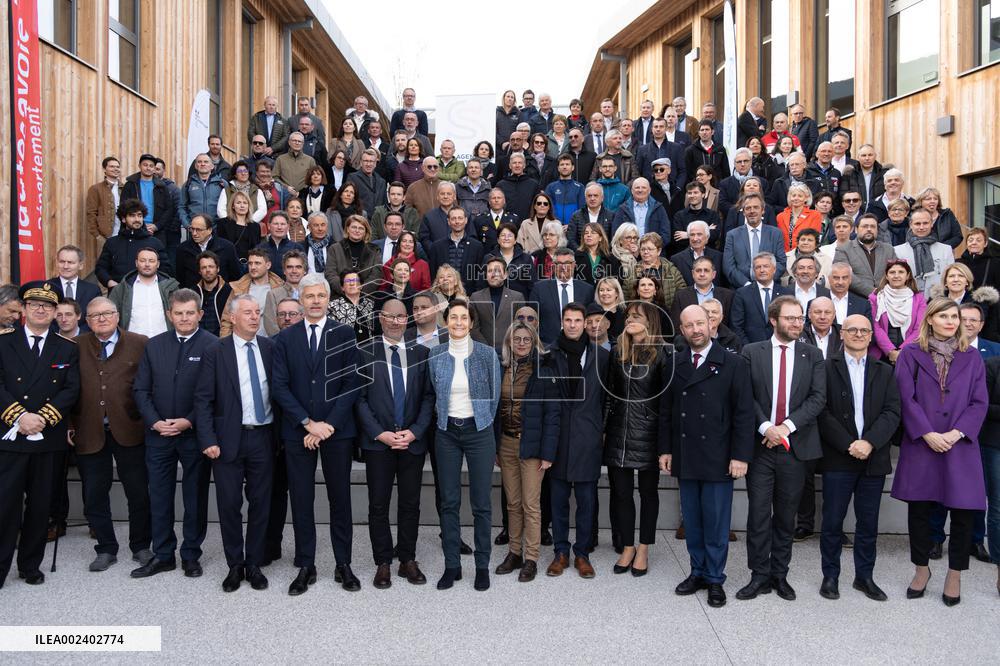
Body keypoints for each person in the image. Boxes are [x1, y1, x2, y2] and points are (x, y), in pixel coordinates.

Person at [891, 298, 988, 606]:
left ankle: (955, 574)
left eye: (954, 316)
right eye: (943, 316)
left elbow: (979, 402)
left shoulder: (972, 357)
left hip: (959, 446)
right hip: (923, 443)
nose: (950, 321)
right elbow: (905, 398)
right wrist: (927, 433)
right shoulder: (910, 353)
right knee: (919, 511)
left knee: (963, 513)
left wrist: (956, 433)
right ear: (929, 319)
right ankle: (922, 569)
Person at [271, 274, 362, 594]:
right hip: (300, 432)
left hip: (336, 431)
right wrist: (308, 423)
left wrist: (326, 426)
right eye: (308, 296)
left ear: (327, 298)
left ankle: (343, 564)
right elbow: (280, 387)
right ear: (301, 298)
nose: (314, 301)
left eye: (319, 296)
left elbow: (351, 384)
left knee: (340, 498)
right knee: (302, 499)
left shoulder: (345, 334)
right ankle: (305, 564)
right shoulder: (285, 338)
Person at [662, 304, 753, 607]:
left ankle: (715, 578)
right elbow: (666, 411)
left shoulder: (733, 363)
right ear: (682, 329)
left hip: (719, 455)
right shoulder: (674, 362)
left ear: (712, 325)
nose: (696, 330)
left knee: (715, 522)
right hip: (687, 454)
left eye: (700, 323)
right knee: (694, 520)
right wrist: (666, 449)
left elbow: (743, 414)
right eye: (689, 326)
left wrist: (740, 456)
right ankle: (697, 571)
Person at [737, 296, 826, 602]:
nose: (796, 323)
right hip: (760, 446)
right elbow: (745, 395)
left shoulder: (812, 355)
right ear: (774, 320)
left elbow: (817, 398)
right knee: (759, 514)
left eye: (800, 318)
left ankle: (780, 575)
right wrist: (766, 428)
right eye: (790, 318)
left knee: (786, 516)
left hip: (794, 447)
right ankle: (758, 575)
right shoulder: (752, 352)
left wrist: (784, 428)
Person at [815, 314, 901, 601]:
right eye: (853, 330)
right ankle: (831, 576)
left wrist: (870, 443)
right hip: (839, 457)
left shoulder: (885, 370)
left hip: (872, 458)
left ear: (871, 335)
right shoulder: (826, 367)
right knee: (832, 522)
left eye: (865, 330)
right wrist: (849, 443)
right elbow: (822, 411)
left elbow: (892, 412)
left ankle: (864, 577)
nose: (859, 334)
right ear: (842, 334)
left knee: (868, 523)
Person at [131, 290, 215, 579]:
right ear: (169, 315)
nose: (184, 318)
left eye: (190, 312)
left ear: (200, 315)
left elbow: (214, 395)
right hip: (159, 435)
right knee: (160, 496)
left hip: (194, 435)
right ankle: (163, 554)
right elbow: (140, 389)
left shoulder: (212, 346)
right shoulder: (154, 346)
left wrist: (188, 422)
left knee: (195, 496)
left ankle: (191, 554)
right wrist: (155, 422)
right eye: (178, 313)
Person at [0, 283, 80, 588]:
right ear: (23, 309)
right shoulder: (3, 344)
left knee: (40, 506)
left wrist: (41, 420)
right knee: (5, 505)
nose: (40, 310)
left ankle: (30, 565)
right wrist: (20, 417)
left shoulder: (67, 348)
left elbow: (71, 389)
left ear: (55, 312)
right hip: (11, 436)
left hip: (47, 439)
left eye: (47, 306)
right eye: (34, 304)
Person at [195, 295, 275, 593]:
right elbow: (203, 399)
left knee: (260, 503)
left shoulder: (270, 348)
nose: (254, 317)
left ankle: (253, 562)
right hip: (227, 439)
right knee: (229, 504)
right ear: (231, 317)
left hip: (263, 437)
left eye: (257, 312)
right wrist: (208, 440)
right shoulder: (216, 351)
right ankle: (234, 564)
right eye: (248, 313)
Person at [356, 296, 434, 588]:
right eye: (389, 316)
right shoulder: (364, 352)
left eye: (400, 316)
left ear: (407, 320)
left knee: (410, 504)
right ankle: (383, 562)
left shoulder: (421, 353)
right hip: (379, 443)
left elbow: (428, 397)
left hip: (411, 442)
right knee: (378, 504)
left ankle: (407, 559)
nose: (395, 320)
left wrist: (415, 431)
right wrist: (380, 433)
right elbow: (360, 400)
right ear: (380, 318)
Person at [72, 297, 152, 573]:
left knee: (138, 492)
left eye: (107, 313)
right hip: (89, 430)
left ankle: (141, 545)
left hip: (130, 428)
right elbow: (69, 388)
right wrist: (71, 425)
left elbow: (149, 384)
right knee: (94, 494)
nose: (101, 319)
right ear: (87, 320)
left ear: (118, 316)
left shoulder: (140, 342)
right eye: (95, 315)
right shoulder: (77, 346)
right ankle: (105, 548)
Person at [428, 299, 502, 591]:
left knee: (481, 503)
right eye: (453, 317)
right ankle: (452, 566)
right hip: (446, 432)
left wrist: (481, 421)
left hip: (479, 431)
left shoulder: (486, 355)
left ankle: (482, 565)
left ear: (471, 323)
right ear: (446, 322)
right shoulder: (435, 355)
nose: (458, 323)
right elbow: (433, 392)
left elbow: (494, 396)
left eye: (464, 318)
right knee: (449, 502)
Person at [539, 304, 611, 578]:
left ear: (585, 324)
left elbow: (608, 400)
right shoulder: (548, 354)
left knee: (586, 500)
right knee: (557, 500)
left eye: (577, 320)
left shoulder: (600, 357)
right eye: (567, 320)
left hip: (588, 437)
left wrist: (601, 430)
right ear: (561, 322)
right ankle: (560, 551)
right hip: (557, 438)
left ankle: (582, 553)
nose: (572, 325)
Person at [605, 301, 670, 576]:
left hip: (649, 434)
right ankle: (628, 545)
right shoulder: (618, 351)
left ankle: (644, 547)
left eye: (637, 316)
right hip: (619, 431)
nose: (630, 319)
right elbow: (609, 394)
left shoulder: (663, 354)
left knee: (648, 493)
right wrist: (605, 428)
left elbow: (666, 403)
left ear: (650, 322)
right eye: (629, 316)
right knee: (621, 493)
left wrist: (665, 445)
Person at [492, 321, 556, 583]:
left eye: (526, 340)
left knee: (531, 504)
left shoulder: (542, 369)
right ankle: (514, 553)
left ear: (533, 343)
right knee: (513, 503)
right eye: (516, 339)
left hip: (532, 444)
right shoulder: (502, 368)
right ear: (509, 342)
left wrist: (548, 452)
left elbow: (552, 414)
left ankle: (531, 558)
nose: (520, 343)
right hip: (506, 443)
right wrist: (495, 444)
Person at [95, 199, 172, 288]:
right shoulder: (112, 243)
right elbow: (101, 268)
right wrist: (110, 283)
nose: (137, 219)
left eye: (140, 216)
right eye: (132, 216)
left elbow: (165, 269)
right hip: (118, 293)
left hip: (148, 292)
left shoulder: (155, 243)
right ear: (123, 219)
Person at [108, 247, 180, 338]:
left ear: (158, 264)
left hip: (164, 342)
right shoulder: (122, 288)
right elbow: (110, 316)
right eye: (142, 260)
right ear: (136, 263)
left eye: (151, 261)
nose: (147, 264)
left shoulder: (171, 287)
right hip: (132, 343)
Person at [528, 248, 595, 345]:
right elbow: (532, 319)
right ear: (553, 266)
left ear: (574, 265)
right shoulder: (539, 289)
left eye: (567, 263)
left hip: (579, 345)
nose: (563, 267)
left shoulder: (587, 290)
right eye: (559, 263)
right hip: (548, 346)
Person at [722, 193, 786, 287]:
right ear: (743, 212)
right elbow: (729, 266)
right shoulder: (732, 235)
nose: (752, 211)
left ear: (763, 210)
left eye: (756, 207)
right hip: (741, 288)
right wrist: (746, 284)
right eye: (748, 208)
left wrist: (766, 281)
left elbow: (781, 262)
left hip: (769, 286)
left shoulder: (775, 233)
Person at [870, 259, 927, 363]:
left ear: (908, 275)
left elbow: (919, 328)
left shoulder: (919, 299)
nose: (896, 276)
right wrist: (890, 351)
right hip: (881, 353)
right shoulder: (875, 298)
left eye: (901, 272)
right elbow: (876, 327)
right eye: (892, 272)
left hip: (909, 352)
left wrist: (902, 352)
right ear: (886, 276)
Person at [219, 248, 284, 336]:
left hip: (272, 342)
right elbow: (227, 319)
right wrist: (224, 345)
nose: (253, 267)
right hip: (243, 341)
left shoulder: (279, 287)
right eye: (250, 263)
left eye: (257, 263)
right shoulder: (238, 288)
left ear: (268, 265)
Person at [893, 208, 954, 298]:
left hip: (937, 301)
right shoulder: (897, 251)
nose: (921, 227)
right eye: (917, 224)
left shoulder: (946, 250)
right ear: (911, 225)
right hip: (907, 301)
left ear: (932, 223)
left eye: (925, 223)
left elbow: (950, 278)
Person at [834, 214, 895, 298]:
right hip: (858, 300)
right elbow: (846, 275)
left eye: (873, 226)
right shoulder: (844, 249)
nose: (869, 229)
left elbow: (896, 272)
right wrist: (874, 292)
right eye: (865, 226)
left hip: (887, 299)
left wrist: (886, 292)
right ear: (856, 229)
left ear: (877, 230)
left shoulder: (888, 249)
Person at [175, 214, 241, 289]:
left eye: (198, 230)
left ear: (209, 230)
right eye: (192, 229)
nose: (194, 233)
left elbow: (235, 275)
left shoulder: (227, 247)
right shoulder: (183, 249)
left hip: (221, 294)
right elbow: (180, 278)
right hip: (193, 296)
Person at [324, 214, 382, 297]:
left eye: (361, 228)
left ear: (365, 232)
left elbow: (376, 275)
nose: (357, 230)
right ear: (347, 229)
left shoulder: (374, 250)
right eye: (354, 227)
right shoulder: (335, 248)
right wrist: (345, 290)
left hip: (366, 297)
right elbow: (330, 274)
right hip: (340, 296)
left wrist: (359, 292)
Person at [470, 257, 520, 351]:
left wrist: (510, 347)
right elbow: (473, 328)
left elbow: (521, 327)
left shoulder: (517, 297)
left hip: (510, 351)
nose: (493, 274)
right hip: (483, 351)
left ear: (505, 275)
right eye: (490, 271)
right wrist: (487, 349)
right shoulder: (475, 298)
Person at [47, 245, 101, 333]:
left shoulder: (92, 290)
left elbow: (95, 317)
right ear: (57, 262)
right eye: (62, 261)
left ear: (80, 265)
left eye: (70, 262)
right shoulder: (47, 287)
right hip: (53, 338)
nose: (65, 266)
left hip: (84, 339)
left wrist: (77, 334)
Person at [670, 256, 734, 325]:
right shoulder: (680, 296)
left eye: (706, 270)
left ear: (713, 274)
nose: (702, 274)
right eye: (698, 271)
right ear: (693, 274)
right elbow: (677, 326)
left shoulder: (728, 296)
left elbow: (731, 325)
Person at [261, 250, 307, 336]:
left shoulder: (311, 295)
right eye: (289, 267)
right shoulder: (273, 294)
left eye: (298, 267)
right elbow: (270, 325)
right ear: (284, 271)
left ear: (304, 271)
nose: (294, 271)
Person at [216, 191, 263, 262]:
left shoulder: (255, 226)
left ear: (248, 206)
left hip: (249, 265)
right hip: (229, 263)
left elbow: (256, 249)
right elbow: (220, 248)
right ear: (233, 206)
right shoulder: (223, 224)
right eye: (238, 203)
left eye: (245, 203)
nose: (242, 206)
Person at [776, 183, 823, 254]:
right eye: (793, 195)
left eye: (800, 196)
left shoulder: (815, 215)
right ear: (789, 197)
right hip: (784, 255)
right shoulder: (780, 216)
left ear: (806, 198)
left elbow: (814, 238)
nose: (796, 198)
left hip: (806, 255)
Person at [86, 156, 124, 241]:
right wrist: (97, 235)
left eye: (117, 167)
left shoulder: (125, 188)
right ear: (104, 169)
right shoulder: (95, 189)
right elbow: (91, 213)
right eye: (112, 166)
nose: (115, 169)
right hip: (105, 236)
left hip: (124, 233)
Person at [827, 262, 873, 327]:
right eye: (836, 278)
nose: (840, 282)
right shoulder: (817, 301)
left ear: (850, 280)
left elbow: (868, 331)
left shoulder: (863, 305)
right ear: (829, 279)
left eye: (844, 278)